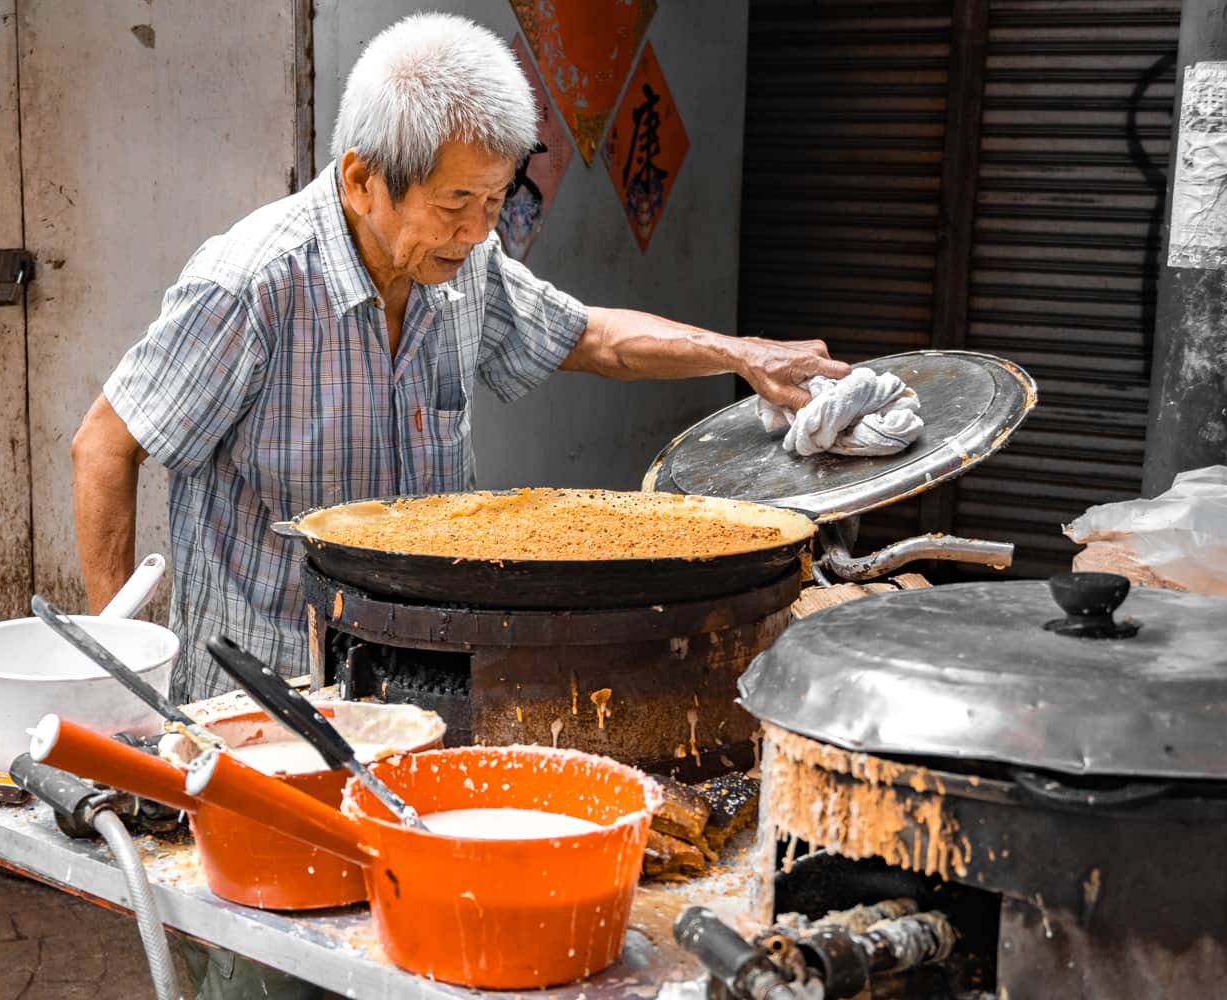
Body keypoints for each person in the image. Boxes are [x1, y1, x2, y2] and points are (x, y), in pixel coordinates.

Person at [70, 13, 847, 998]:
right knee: (268, 975)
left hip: (419, 722)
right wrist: (133, 680)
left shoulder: (460, 267)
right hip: (263, 732)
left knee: (411, 969)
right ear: (360, 179)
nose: (480, 230)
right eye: (454, 204)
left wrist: (743, 356)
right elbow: (105, 442)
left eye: (494, 199)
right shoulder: (253, 286)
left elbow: (589, 335)